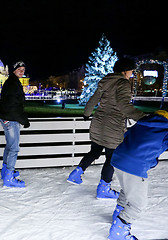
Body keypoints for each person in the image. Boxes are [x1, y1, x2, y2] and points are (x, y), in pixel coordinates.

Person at [67, 58, 146, 199]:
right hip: (113, 126)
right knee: (111, 158)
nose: (132, 74)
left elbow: (93, 99)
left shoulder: (106, 81)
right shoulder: (123, 83)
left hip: (98, 123)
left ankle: (76, 173)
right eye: (131, 71)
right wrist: (144, 118)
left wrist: (86, 113)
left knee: (94, 151)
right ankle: (104, 188)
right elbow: (124, 106)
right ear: (124, 70)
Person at [108, 110, 168, 240]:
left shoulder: (141, 123)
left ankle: (118, 214)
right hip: (135, 164)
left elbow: (128, 136)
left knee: (127, 188)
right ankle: (118, 232)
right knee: (138, 204)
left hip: (118, 158)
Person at [0, 61, 30, 188]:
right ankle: (9, 176)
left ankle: (5, 171)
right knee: (14, 148)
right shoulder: (13, 83)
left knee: (10, 146)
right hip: (10, 119)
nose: (22, 71)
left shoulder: (12, 82)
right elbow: (12, 106)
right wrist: (24, 121)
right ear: (13, 70)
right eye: (19, 69)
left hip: (7, 118)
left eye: (23, 69)